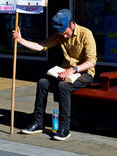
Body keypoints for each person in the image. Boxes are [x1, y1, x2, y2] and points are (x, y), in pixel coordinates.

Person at [12, 8, 97, 141]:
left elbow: (92, 61)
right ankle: (38, 122)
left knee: (63, 86)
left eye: (65, 32)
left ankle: (64, 128)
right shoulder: (58, 35)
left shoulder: (86, 34)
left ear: (71, 24)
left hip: (84, 73)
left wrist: (73, 69)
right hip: (65, 71)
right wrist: (21, 40)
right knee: (42, 82)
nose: (63, 36)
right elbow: (41, 46)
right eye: (60, 33)